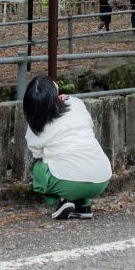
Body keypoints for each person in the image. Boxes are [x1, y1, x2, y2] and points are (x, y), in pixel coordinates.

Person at [22, 75, 110, 220]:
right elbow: (89, 125)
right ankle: (84, 206)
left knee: (39, 169)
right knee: (75, 163)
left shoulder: (36, 127)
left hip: (70, 183)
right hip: (102, 177)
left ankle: (63, 200)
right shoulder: (76, 103)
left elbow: (37, 154)